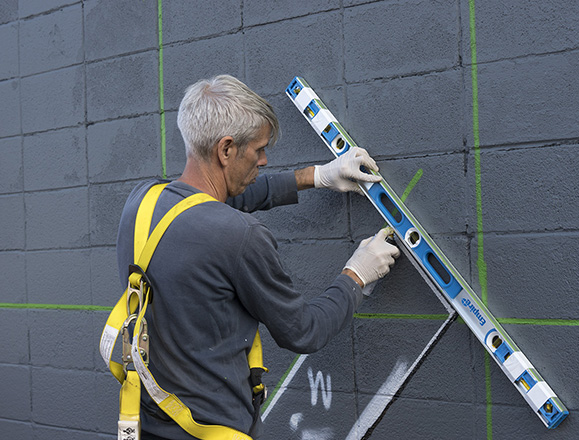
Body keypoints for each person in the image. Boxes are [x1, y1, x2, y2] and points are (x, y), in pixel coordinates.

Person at [116, 75, 400, 439]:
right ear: (226, 150)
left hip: (146, 425)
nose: (264, 160)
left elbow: (208, 203)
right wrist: (356, 275)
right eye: (258, 150)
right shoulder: (241, 237)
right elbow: (303, 331)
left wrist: (318, 176)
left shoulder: (141, 204)